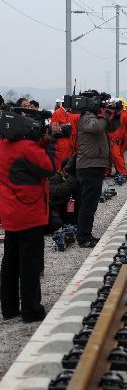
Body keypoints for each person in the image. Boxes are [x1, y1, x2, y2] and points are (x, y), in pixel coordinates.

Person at [0, 113, 58, 322]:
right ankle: (31, 310)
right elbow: (48, 168)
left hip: (10, 213)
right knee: (30, 263)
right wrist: (51, 145)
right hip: (29, 212)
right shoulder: (26, 148)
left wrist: (40, 142)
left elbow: (27, 161)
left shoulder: (3, 145)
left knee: (10, 261)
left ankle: (9, 308)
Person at [76, 91, 111, 248]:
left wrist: (113, 115)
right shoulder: (86, 117)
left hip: (94, 165)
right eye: (95, 101)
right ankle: (84, 237)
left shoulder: (92, 116)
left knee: (90, 202)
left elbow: (109, 127)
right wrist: (105, 116)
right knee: (88, 203)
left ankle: (84, 233)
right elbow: (96, 127)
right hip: (89, 166)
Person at [51, 101, 80, 168]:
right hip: (62, 144)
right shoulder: (58, 113)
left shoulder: (72, 113)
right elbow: (53, 130)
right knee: (62, 163)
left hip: (71, 143)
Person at [107, 99, 127, 181]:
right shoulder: (112, 116)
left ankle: (123, 173)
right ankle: (118, 171)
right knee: (115, 156)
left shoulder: (123, 116)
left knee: (117, 156)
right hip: (113, 140)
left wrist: (125, 139)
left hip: (118, 141)